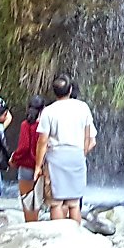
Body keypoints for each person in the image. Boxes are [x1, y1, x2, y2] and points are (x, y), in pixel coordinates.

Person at [33, 75, 95, 223]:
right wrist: (83, 152)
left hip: (56, 157)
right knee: (74, 204)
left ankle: (59, 237)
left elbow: (42, 140)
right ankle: (75, 238)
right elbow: (88, 135)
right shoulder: (82, 107)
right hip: (76, 154)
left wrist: (37, 165)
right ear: (71, 89)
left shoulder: (48, 111)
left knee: (56, 203)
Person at [11, 96, 45, 222]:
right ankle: (35, 222)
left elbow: (23, 147)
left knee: (27, 200)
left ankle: (29, 224)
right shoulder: (44, 126)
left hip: (25, 166)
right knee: (37, 199)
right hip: (40, 167)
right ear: (43, 109)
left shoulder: (25, 125)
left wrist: (14, 159)